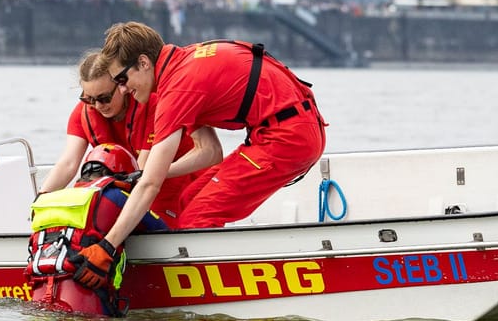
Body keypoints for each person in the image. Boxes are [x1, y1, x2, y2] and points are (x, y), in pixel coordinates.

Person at [75, 21, 325, 278]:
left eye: (122, 79)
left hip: (287, 138)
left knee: (196, 219)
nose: (124, 89)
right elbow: (210, 152)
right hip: (287, 128)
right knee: (188, 199)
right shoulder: (182, 62)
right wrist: (145, 175)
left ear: (143, 63)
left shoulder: (177, 89)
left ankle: (208, 300)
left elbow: (151, 185)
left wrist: (107, 245)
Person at [40, 49, 222, 226]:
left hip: (182, 178)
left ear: (122, 85)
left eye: (104, 98)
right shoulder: (85, 113)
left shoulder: (153, 104)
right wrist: (42, 199)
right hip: (141, 181)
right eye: (89, 99)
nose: (97, 106)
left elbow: (144, 166)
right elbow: (68, 163)